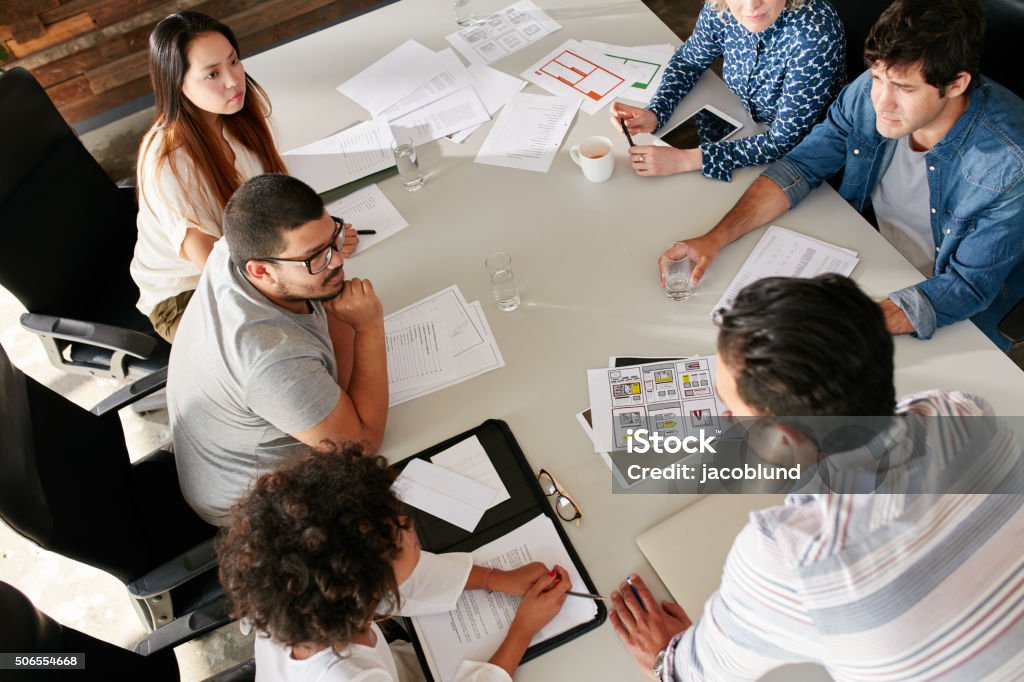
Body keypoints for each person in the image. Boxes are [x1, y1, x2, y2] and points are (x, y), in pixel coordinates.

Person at [609, 274, 1024, 680]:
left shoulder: (787, 557)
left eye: (734, 409)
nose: (728, 418)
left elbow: (696, 674)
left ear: (783, 438)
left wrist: (667, 659)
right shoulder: (960, 412)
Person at [661, 0, 1024, 351]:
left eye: (905, 89)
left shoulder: (1008, 164)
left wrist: (841, 326)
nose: (881, 102)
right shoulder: (870, 89)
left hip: (944, 304)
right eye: (880, 77)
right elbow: (801, 166)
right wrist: (715, 238)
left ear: (957, 84)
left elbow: (966, 287)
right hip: (870, 252)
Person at [218, 447, 572, 682]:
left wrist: (495, 578)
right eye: (399, 534)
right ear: (371, 583)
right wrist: (522, 631)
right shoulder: (352, 677)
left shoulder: (303, 599)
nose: (410, 524)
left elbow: (403, 580)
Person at [168, 173, 387, 525]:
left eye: (334, 238)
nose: (337, 262)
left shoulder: (235, 247)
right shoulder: (269, 358)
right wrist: (369, 328)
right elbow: (360, 448)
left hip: (233, 448)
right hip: (255, 509)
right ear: (261, 271)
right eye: (314, 257)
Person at [129, 11, 357, 341]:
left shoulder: (235, 114)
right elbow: (214, 268)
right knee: (301, 340)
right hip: (187, 294)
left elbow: (276, 200)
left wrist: (323, 246)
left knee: (337, 311)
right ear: (178, 84)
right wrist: (307, 266)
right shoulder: (168, 161)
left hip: (253, 259)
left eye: (233, 61)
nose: (234, 80)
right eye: (212, 74)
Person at [611, 0, 845, 182]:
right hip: (748, 127)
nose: (751, 6)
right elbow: (689, 62)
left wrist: (687, 159)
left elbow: (782, 142)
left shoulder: (814, 34)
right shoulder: (720, 9)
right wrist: (656, 111)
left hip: (809, 154)